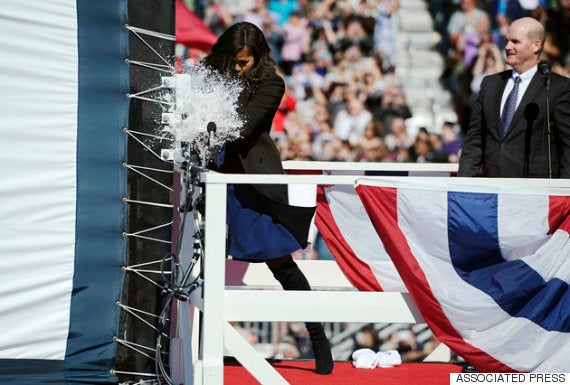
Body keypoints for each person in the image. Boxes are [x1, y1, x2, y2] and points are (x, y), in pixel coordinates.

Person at [202, 22, 334, 375]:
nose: (237, 67)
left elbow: (243, 126)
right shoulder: (210, 73)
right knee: (198, 263)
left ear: (257, 57)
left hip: (249, 184)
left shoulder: (271, 83)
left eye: (244, 62)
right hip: (207, 179)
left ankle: (318, 336)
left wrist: (208, 109)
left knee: (281, 263)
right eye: (233, 60)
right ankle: (200, 341)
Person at [458, 17, 570, 178]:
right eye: (507, 41)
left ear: (536, 45)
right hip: (494, 191)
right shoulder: (490, 84)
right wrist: (463, 184)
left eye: (515, 42)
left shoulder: (557, 88)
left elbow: (567, 144)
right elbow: (475, 140)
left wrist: (564, 193)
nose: (507, 47)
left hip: (535, 192)